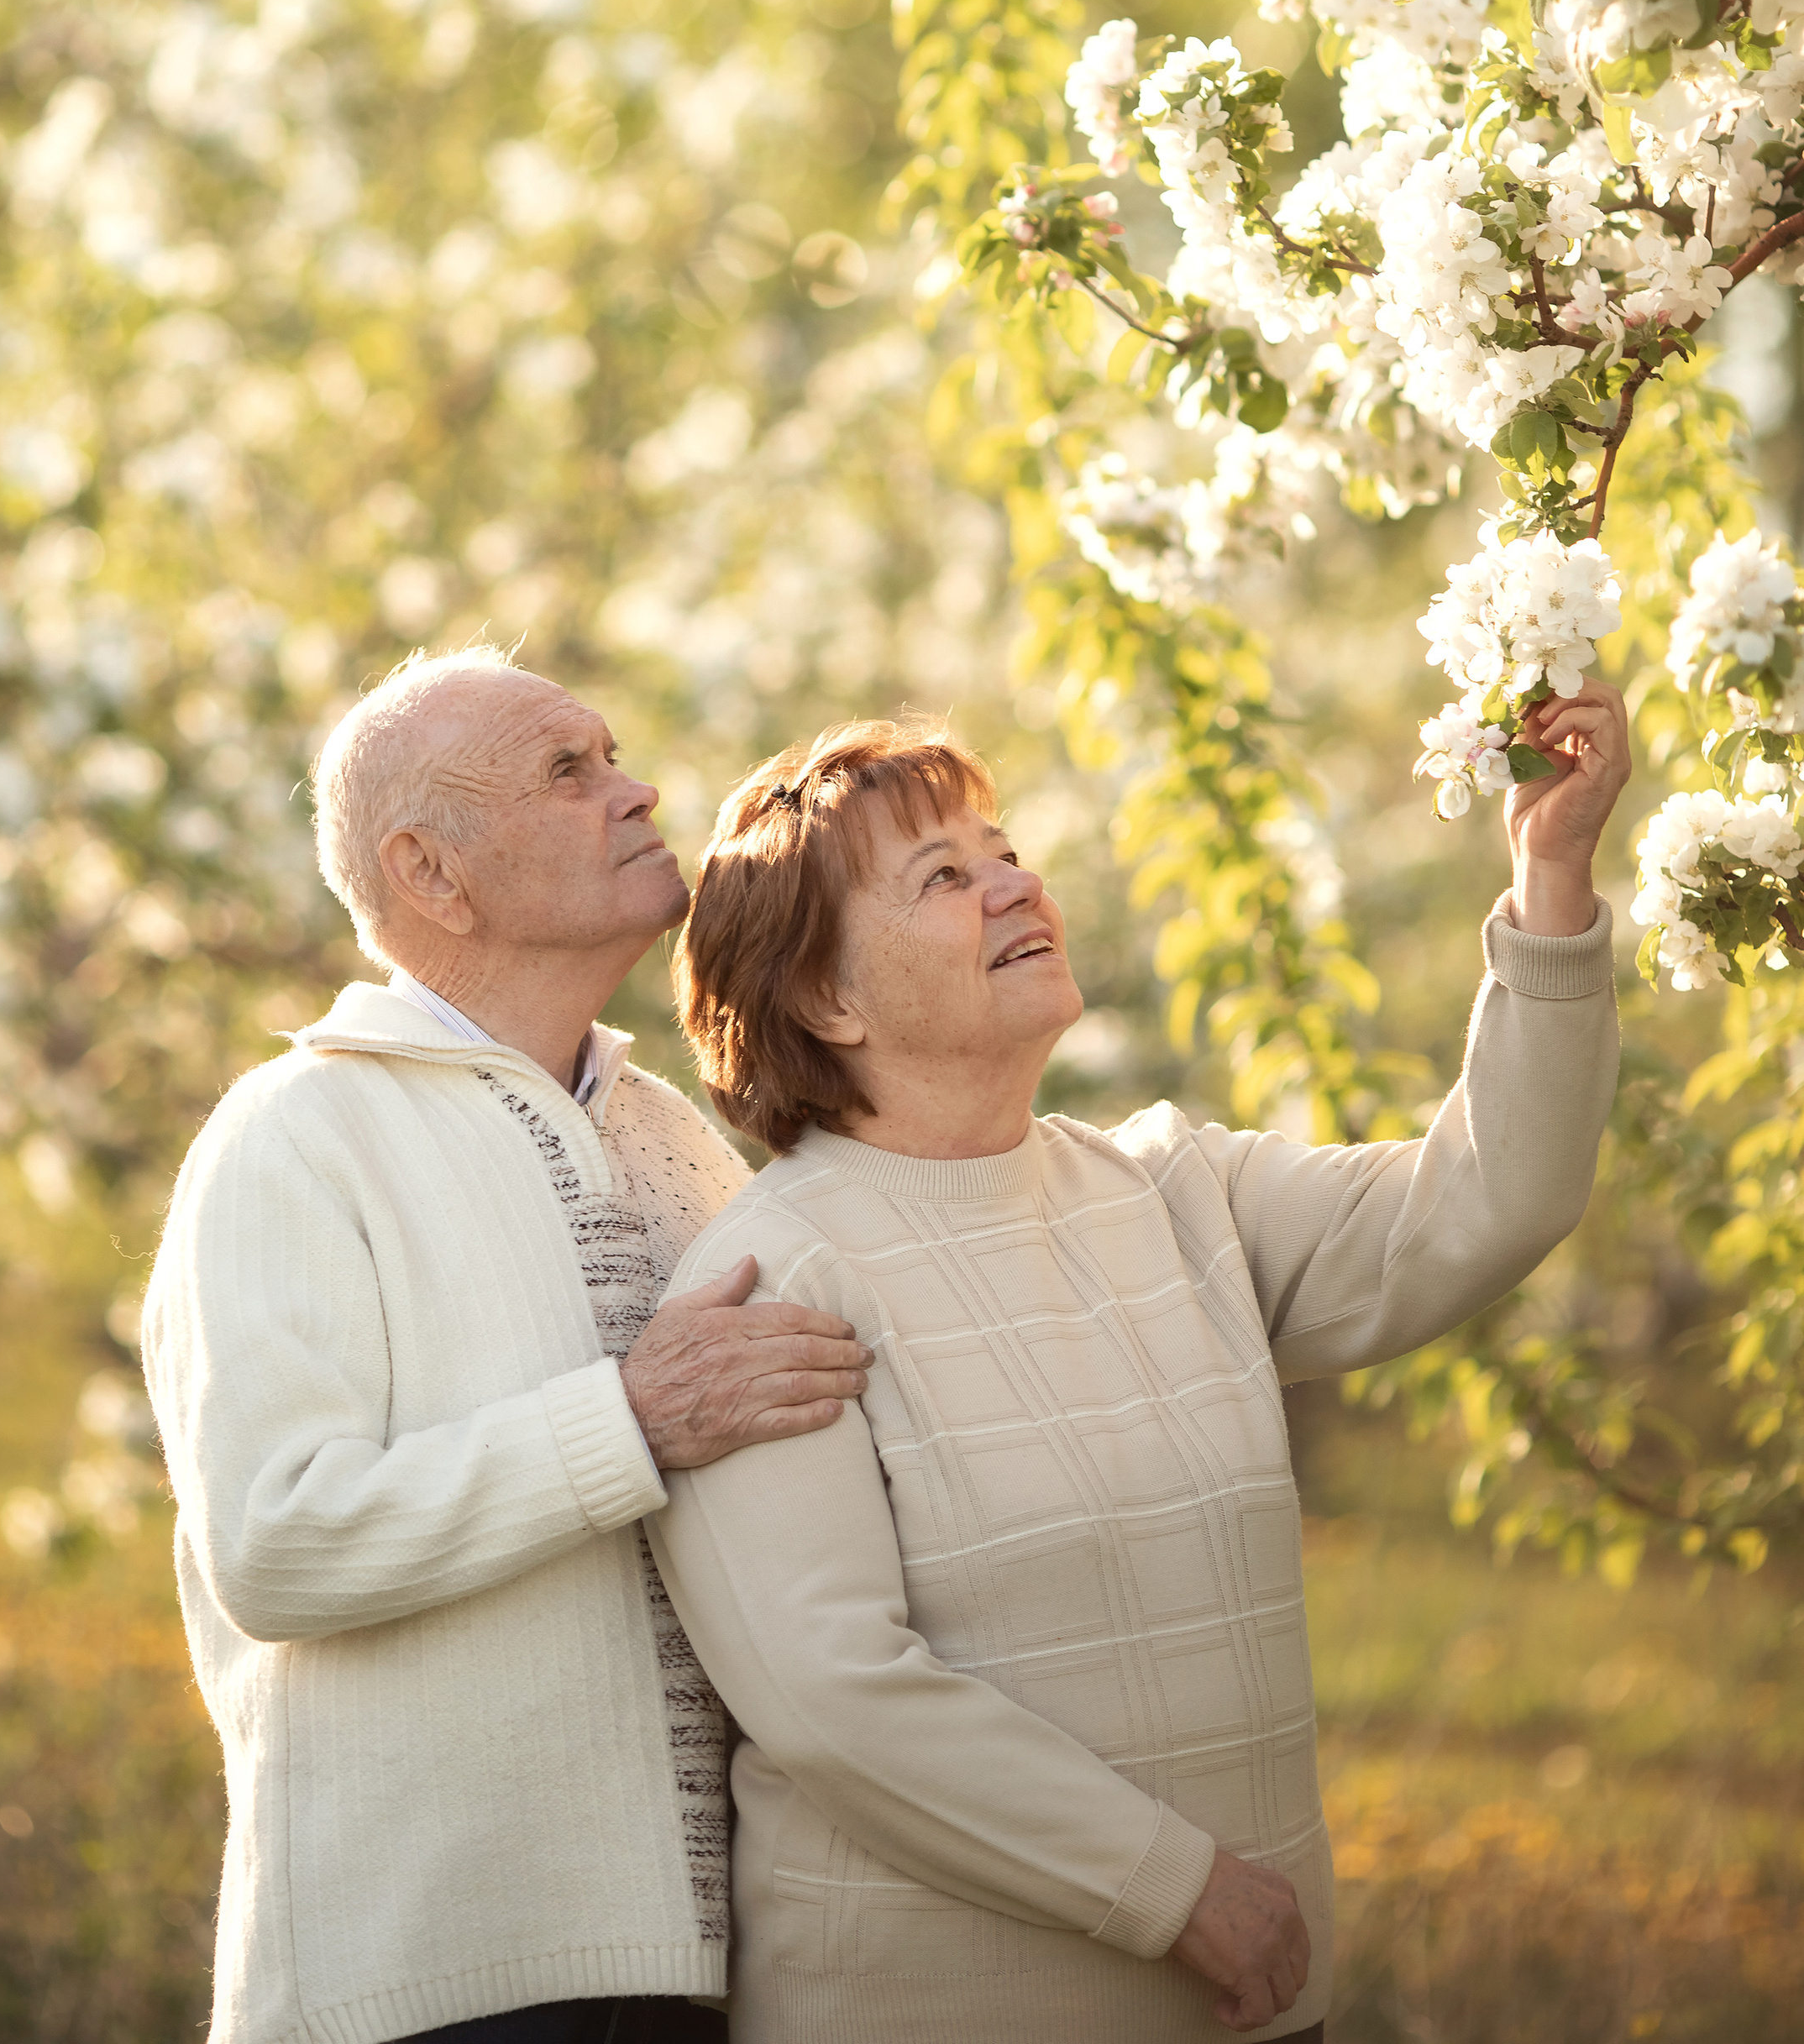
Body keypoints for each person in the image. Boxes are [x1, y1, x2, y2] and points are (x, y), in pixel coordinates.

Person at [650, 692, 1629, 2044]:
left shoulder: (1176, 1191)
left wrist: (1551, 874)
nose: (1012, 886)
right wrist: (1181, 1894)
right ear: (825, 996)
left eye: (1004, 852)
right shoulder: (769, 1278)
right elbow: (834, 1698)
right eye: (945, 876)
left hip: (1261, 2008)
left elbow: (1493, 1199)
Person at [142, 647, 875, 2044]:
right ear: (431, 873)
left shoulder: (674, 1135)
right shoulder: (292, 1134)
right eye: (568, 770)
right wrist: (632, 1423)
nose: (639, 789)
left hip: (712, 1976)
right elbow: (277, 1542)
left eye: (611, 755)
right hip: (428, 1989)